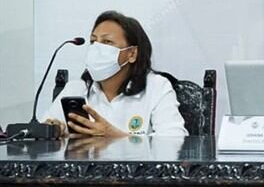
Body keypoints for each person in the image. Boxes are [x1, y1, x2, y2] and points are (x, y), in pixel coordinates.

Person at [43, 11, 187, 137]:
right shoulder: (75, 89)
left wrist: (114, 136)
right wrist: (55, 131)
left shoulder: (157, 87)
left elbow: (175, 142)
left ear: (131, 54)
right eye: (93, 41)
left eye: (107, 41)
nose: (97, 48)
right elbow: (41, 132)